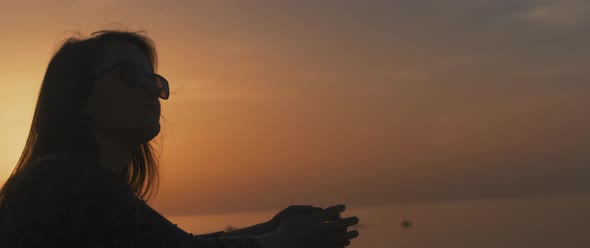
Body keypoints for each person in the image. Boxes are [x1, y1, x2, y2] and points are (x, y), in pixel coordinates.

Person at [0, 30, 360, 248]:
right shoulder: (62, 179)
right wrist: (280, 242)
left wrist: (270, 229)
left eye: (154, 79)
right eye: (130, 75)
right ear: (78, 95)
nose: (151, 90)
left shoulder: (75, 181)